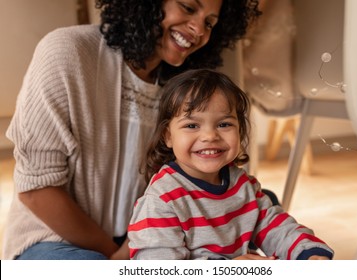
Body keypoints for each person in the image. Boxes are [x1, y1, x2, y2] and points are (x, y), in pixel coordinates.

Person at [3, 0, 261, 260]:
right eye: (188, 7)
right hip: (55, 240)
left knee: (257, 199)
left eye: (209, 23)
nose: (199, 30)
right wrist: (118, 259)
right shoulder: (67, 50)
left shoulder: (187, 86)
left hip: (155, 233)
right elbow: (36, 189)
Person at [128, 69, 334, 260]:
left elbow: (275, 227)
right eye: (192, 125)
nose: (210, 136)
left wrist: (307, 253)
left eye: (224, 124)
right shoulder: (161, 201)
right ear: (168, 136)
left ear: (240, 130)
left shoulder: (243, 184)